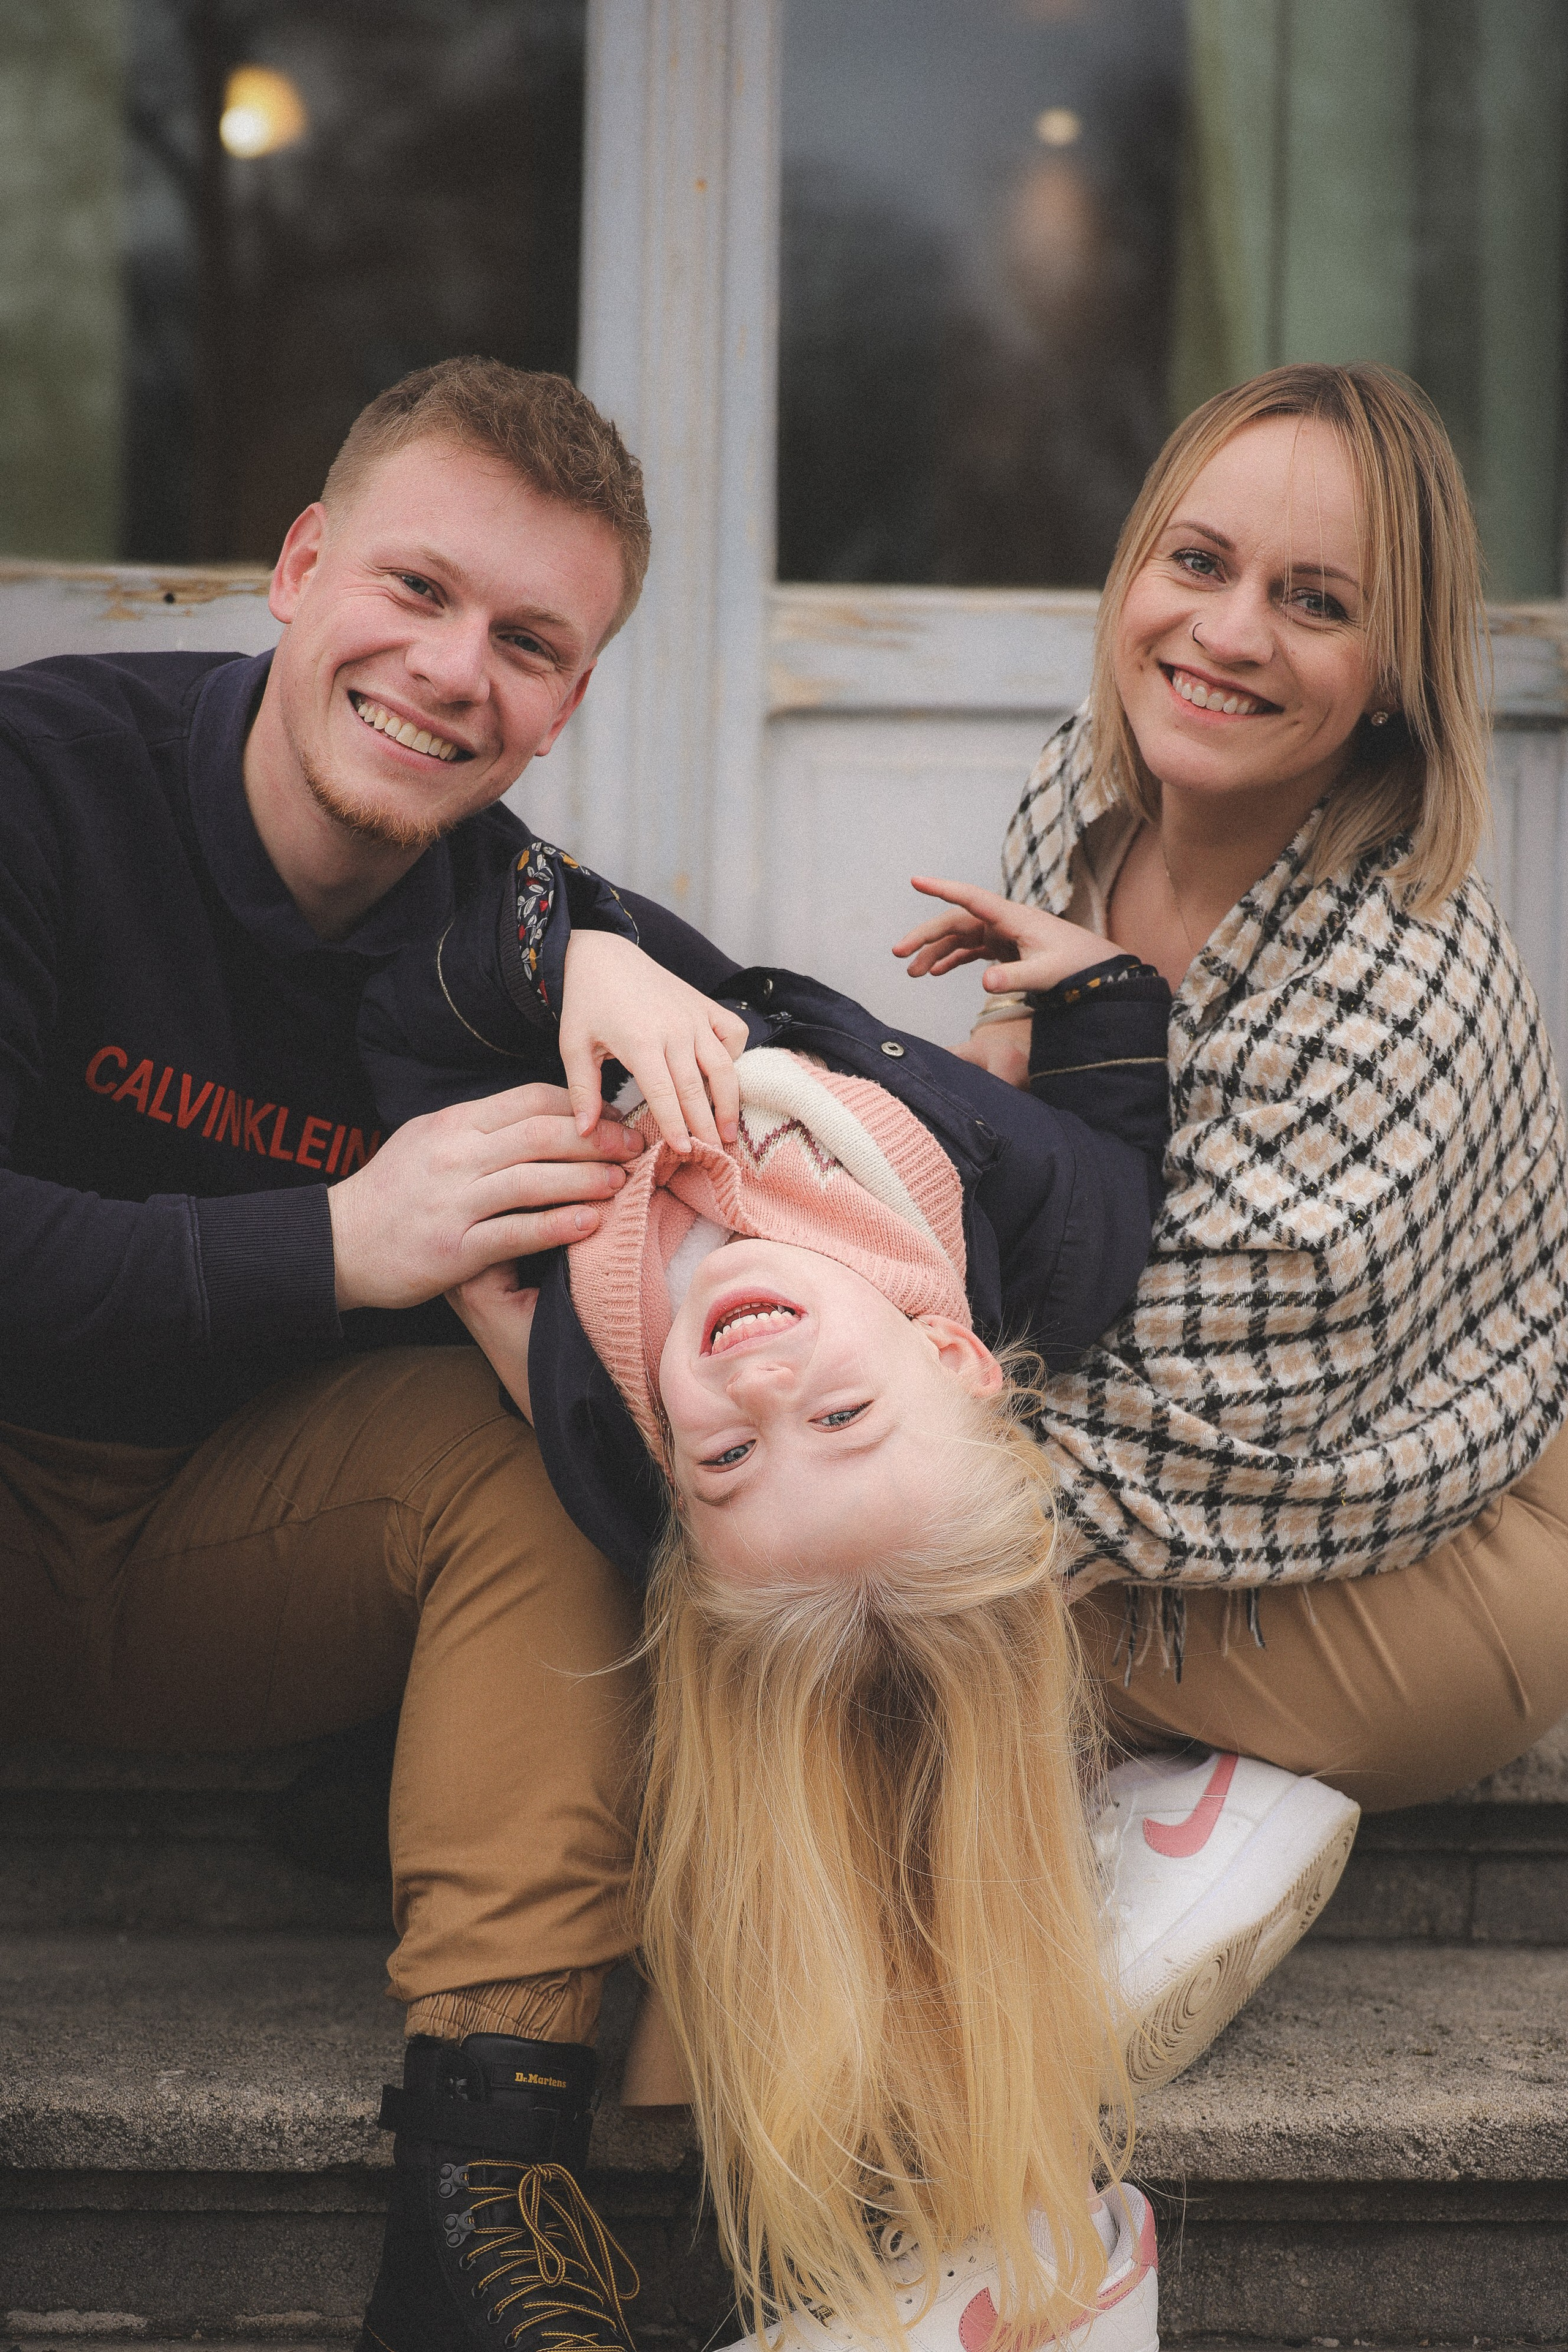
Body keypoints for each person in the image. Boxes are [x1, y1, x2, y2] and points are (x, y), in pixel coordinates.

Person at [0, 355, 788, 2352]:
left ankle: (487, 2195)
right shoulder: (42, 787)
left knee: (514, 1440)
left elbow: (825, 1128)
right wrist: (341, 1242)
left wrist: (604, 939)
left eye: (528, 643)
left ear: (572, 700)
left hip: (216, 1545)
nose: (455, 673)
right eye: (417, 593)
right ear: (296, 566)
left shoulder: (521, 938)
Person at [359, 840, 1175, 2352]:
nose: (757, 1380)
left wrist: (554, 966)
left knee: (808, 1783)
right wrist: (1106, 994)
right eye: (843, 1421)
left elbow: (405, 1020)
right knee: (873, 1734)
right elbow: (1118, 1155)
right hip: (807, 1086)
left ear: (676, 1491)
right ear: (953, 1364)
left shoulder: (600, 1408)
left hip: (577, 1183)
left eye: (728, 1457)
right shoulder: (1042, 1235)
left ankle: (875, 2174)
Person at [892, 360, 1568, 2082]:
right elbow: (1018, 1186)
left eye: (1316, 601)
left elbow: (1194, 1441)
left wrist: (839, 1462)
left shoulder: (1401, 977)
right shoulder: (1084, 805)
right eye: (1198, 564)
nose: (1232, 632)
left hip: (1439, 1530)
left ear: (1395, 678)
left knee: (851, 1614)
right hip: (1176, 1435)